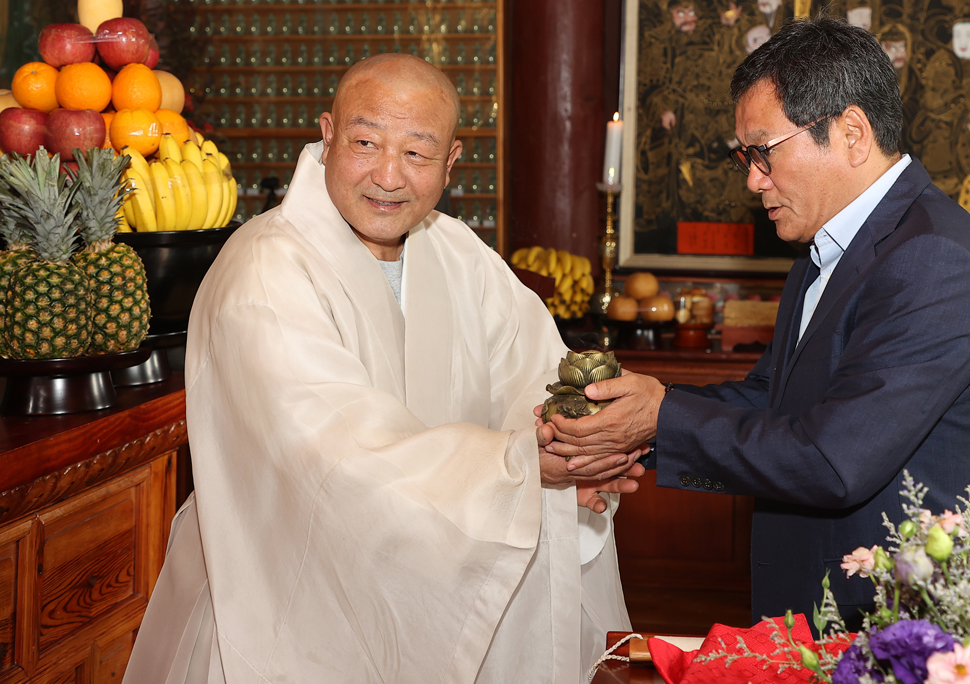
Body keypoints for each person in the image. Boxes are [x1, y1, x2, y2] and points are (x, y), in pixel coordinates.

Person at [123, 55, 643, 684]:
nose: (388, 176)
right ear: (327, 134)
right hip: (288, 602)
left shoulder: (460, 256)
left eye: (417, 154)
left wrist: (569, 463)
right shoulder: (264, 268)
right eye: (366, 142)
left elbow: (531, 380)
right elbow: (333, 454)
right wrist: (517, 468)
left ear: (451, 162)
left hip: (441, 594)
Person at [541, 16, 970, 630]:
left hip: (894, 627)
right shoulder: (830, 250)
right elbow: (773, 401)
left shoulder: (930, 259)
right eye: (745, 156)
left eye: (763, 152)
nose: (752, 179)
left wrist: (658, 417)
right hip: (816, 616)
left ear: (851, 132)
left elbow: (832, 459)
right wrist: (630, 427)